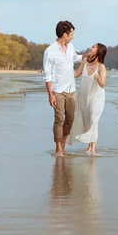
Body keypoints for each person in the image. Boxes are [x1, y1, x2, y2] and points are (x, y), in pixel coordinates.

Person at [43, 21, 86, 157]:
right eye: (71, 34)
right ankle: (58, 148)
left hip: (71, 90)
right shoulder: (50, 52)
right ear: (64, 34)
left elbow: (75, 58)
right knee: (59, 119)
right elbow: (47, 74)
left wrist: (87, 55)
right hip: (58, 91)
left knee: (70, 118)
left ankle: (63, 142)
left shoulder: (71, 47)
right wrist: (50, 95)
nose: (73, 36)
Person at [68, 43, 107, 156]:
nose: (91, 48)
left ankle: (93, 149)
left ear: (99, 51)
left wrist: (98, 78)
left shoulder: (101, 67)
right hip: (83, 96)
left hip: (96, 97)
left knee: (93, 120)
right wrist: (65, 72)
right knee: (86, 121)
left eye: (94, 47)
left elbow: (103, 84)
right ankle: (89, 146)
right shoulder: (85, 61)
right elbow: (77, 74)